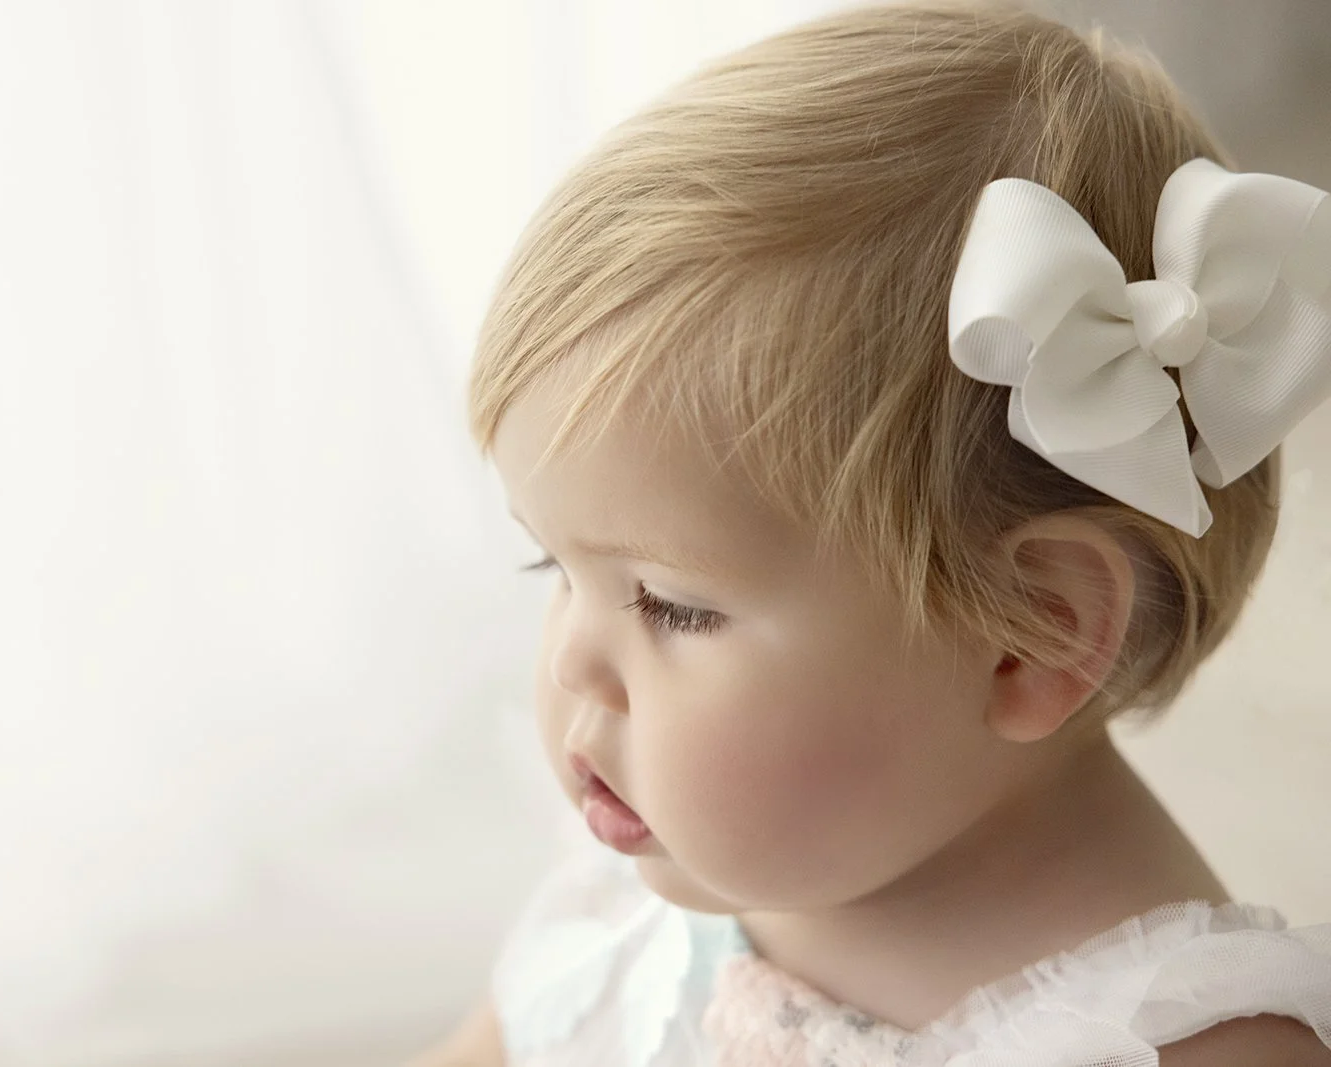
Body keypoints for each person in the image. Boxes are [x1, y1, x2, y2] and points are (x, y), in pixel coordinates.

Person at [413, 2, 1331, 1063]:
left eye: (670, 602)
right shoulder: (662, 873)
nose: (572, 660)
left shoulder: (1166, 1047)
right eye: (553, 564)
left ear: (1029, 632)